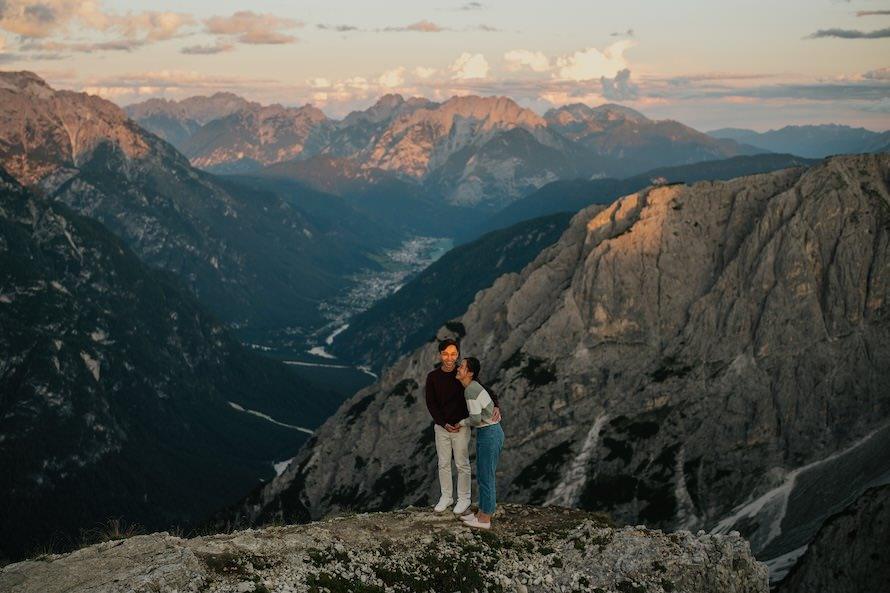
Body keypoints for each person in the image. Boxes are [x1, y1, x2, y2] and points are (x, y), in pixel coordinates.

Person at [425, 339, 500, 515]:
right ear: (440, 355)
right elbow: (431, 403)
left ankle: (464, 498)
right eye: (445, 354)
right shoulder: (433, 377)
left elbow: (483, 389)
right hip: (442, 427)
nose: (449, 358)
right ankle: (446, 497)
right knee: (443, 463)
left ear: (458, 355)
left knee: (462, 463)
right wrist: (443, 423)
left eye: (453, 354)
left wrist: (495, 404)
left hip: (461, 427)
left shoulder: (461, 374)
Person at [456, 356, 504, 530]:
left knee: (486, 476)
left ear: (470, 373)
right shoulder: (474, 386)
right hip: (489, 433)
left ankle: (484, 519)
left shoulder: (470, 390)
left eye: (462, 367)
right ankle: (482, 512)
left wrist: (461, 423)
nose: (458, 368)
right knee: (484, 474)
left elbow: (476, 420)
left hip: (489, 433)